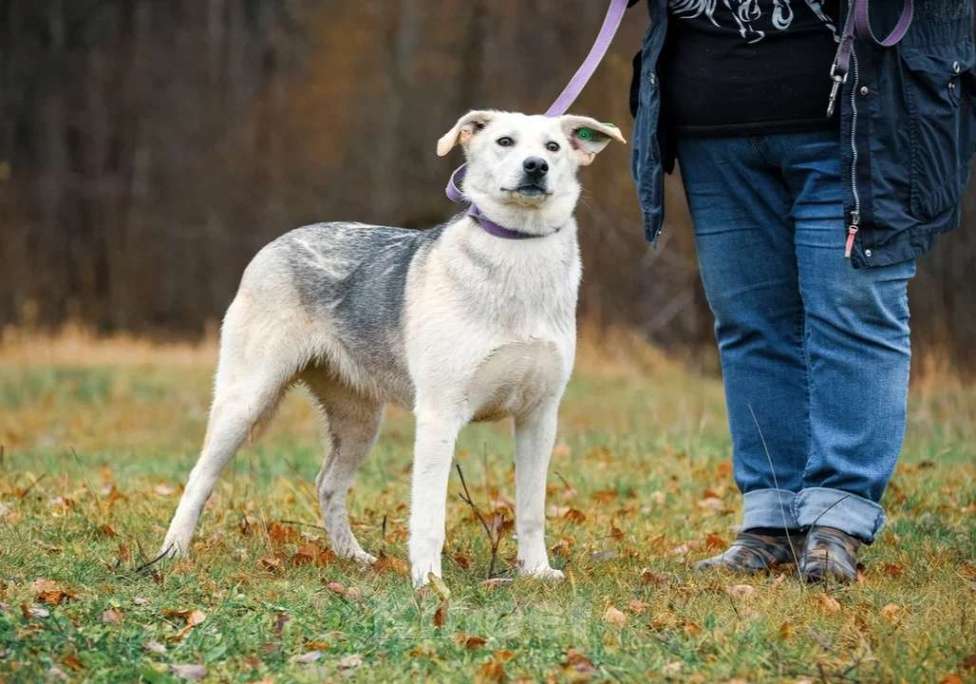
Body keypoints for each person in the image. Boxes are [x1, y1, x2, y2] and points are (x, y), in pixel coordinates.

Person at [629, 0, 975, 582]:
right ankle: (773, 519)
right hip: (711, 119)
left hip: (863, 112)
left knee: (854, 310)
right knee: (750, 323)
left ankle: (838, 518)